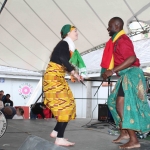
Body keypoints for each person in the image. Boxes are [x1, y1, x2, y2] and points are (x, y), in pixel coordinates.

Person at [101, 17, 150, 149]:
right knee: (112, 102)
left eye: (109, 26)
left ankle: (134, 140)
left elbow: (131, 58)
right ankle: (124, 132)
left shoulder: (123, 40)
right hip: (125, 75)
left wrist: (111, 71)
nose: (108, 28)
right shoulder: (115, 42)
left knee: (122, 105)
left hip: (131, 74)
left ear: (117, 27)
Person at [43, 24, 85, 146]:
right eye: (74, 31)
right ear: (68, 33)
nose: (77, 32)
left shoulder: (68, 45)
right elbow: (62, 58)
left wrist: (75, 74)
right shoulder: (64, 44)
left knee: (70, 103)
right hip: (53, 79)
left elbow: (62, 61)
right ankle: (59, 138)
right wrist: (73, 72)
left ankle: (56, 131)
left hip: (57, 77)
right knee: (65, 106)